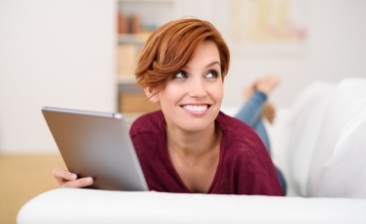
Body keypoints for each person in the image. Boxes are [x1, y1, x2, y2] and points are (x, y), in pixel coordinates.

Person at [52, 18, 283, 195]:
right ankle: (258, 100)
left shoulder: (247, 153)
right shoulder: (142, 137)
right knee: (243, 124)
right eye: (181, 74)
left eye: (211, 74)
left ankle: (259, 95)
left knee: (248, 132)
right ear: (151, 88)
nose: (200, 91)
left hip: (270, 174)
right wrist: (85, 195)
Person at [235, 75, 287, 195]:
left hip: (270, 178)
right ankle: (258, 100)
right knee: (230, 135)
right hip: (269, 175)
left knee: (226, 137)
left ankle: (257, 100)